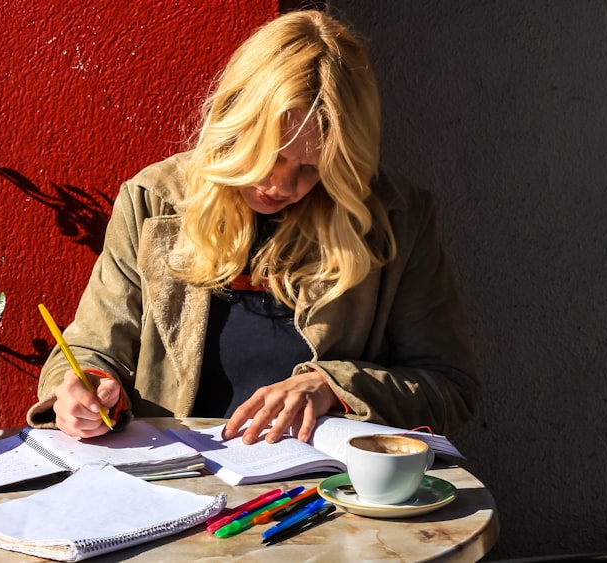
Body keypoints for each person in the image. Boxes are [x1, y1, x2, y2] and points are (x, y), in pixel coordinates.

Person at [26, 9, 479, 446]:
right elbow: (92, 349)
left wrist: (331, 387)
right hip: (173, 486)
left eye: (311, 167)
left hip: (323, 493)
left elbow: (449, 389)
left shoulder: (395, 218)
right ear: (231, 121)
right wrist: (85, 389)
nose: (279, 185)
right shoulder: (153, 201)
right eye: (268, 154)